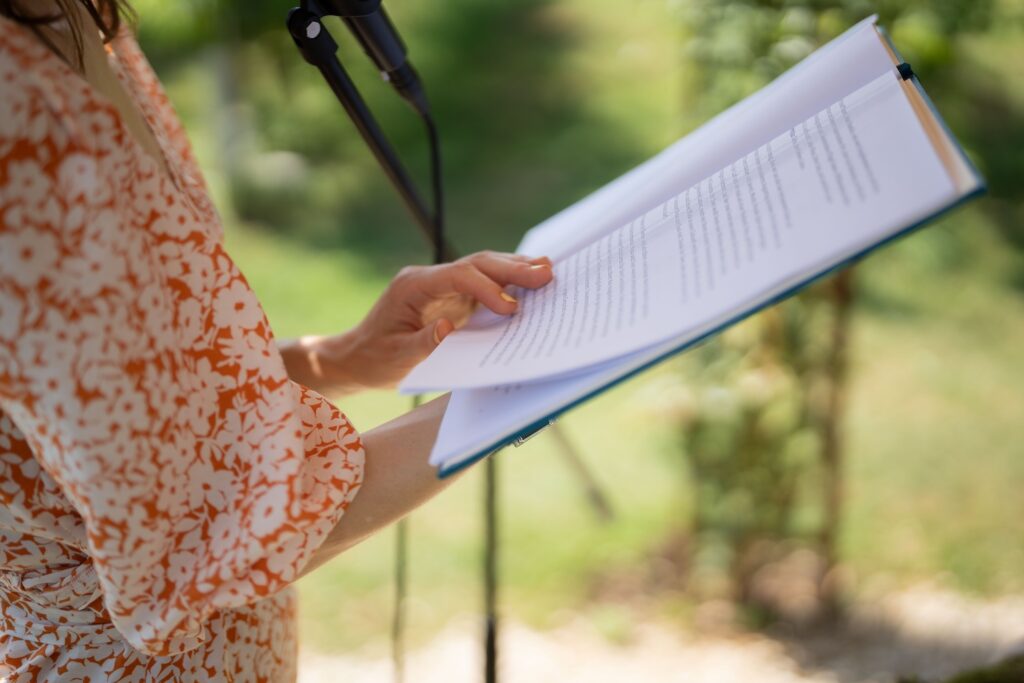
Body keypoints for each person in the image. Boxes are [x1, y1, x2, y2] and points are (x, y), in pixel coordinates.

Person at [0, 1, 554, 680]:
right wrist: (524, 384)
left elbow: (149, 398)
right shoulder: (18, 111)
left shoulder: (76, 18)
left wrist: (345, 356)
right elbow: (205, 533)